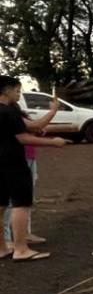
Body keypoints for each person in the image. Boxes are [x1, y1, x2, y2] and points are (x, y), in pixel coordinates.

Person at [1, 75, 68, 261]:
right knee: (21, 204)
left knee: (1, 205)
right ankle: (21, 249)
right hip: (13, 162)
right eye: (17, 90)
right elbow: (23, 138)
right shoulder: (9, 112)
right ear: (7, 90)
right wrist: (53, 143)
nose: (18, 94)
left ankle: (2, 247)